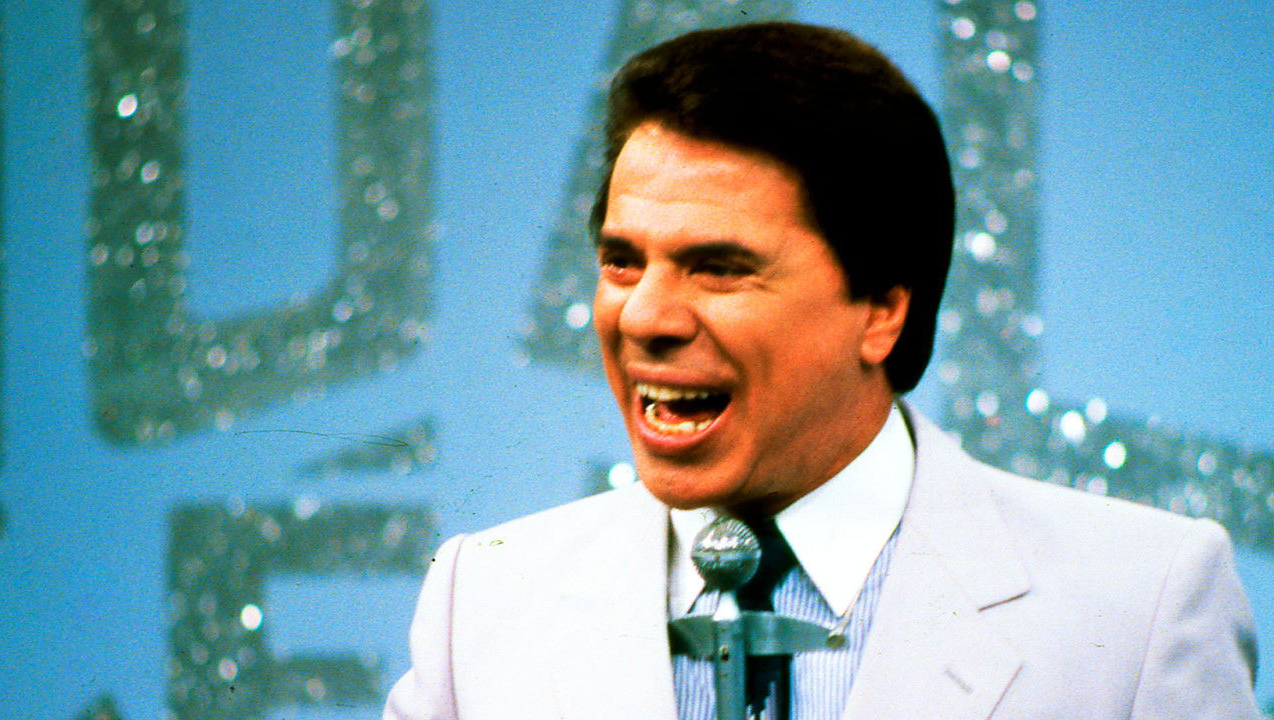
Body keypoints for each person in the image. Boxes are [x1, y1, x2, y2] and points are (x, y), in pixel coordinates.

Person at [384, 22, 1259, 719]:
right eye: (622, 262)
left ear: (880, 309)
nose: (644, 317)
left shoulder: (1140, 604)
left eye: (718, 267)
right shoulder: (484, 599)